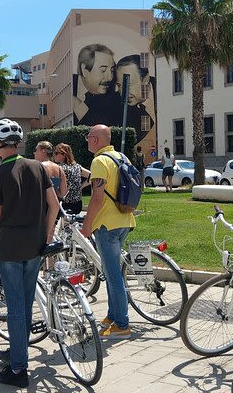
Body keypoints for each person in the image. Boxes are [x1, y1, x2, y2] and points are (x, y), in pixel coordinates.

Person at [0, 119, 59, 387]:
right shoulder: (38, 167)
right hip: (36, 245)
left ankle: (18, 369)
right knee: (26, 304)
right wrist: (48, 233)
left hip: (11, 247)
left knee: (16, 308)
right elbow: (53, 205)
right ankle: (18, 351)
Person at [80, 124, 135, 339]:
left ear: (95, 139)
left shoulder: (99, 161)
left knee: (113, 276)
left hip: (106, 225)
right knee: (111, 271)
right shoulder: (121, 157)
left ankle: (122, 324)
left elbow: (97, 197)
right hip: (124, 219)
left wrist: (87, 223)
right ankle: (113, 315)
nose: (86, 141)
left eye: (88, 137)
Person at [73, 44, 117, 125]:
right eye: (103, 70)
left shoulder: (111, 97)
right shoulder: (68, 88)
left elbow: (99, 126)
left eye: (112, 71)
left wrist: (78, 105)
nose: (110, 78)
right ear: (84, 70)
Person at [115, 55, 155, 143]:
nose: (122, 92)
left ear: (145, 80)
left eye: (128, 85)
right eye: (119, 86)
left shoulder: (162, 90)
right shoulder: (121, 108)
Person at [53, 143, 91, 215]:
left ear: (64, 155)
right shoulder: (77, 167)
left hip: (64, 204)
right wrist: (81, 186)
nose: (54, 155)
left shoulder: (59, 168)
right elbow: (91, 176)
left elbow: (54, 187)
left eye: (56, 153)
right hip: (77, 203)